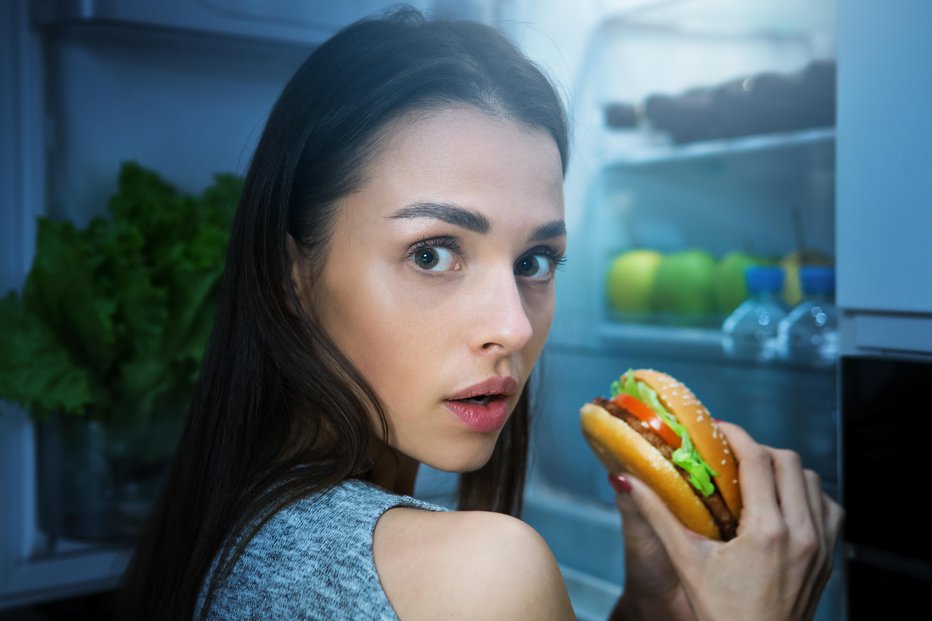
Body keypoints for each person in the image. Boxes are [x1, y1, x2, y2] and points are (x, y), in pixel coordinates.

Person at [120, 7, 843, 620]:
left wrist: (648, 606)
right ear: (291, 276)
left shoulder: (232, 524)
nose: (515, 327)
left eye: (534, 261)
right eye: (433, 253)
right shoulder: (481, 575)